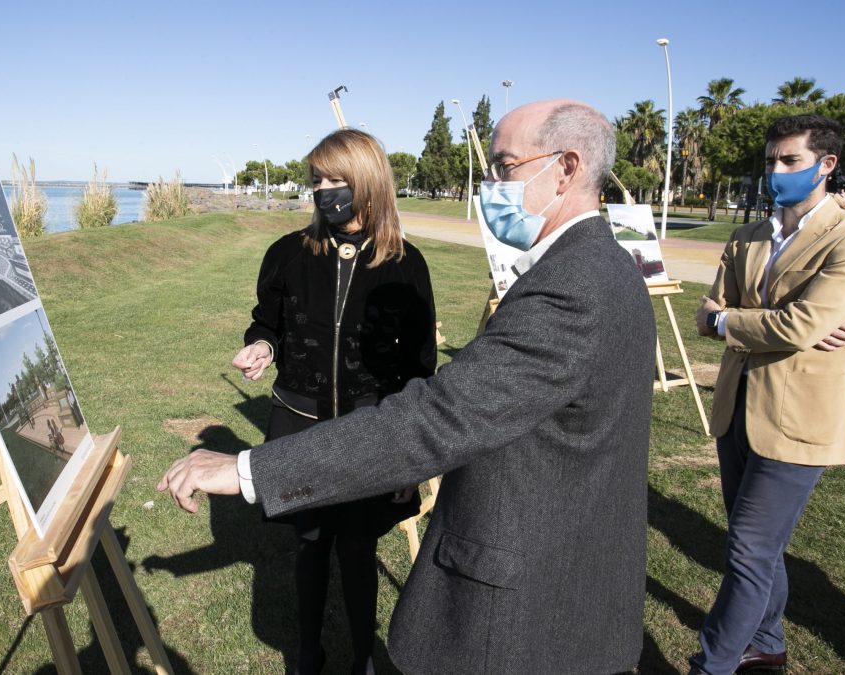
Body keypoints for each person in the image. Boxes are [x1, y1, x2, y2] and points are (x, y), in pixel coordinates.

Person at [160, 100, 656, 674]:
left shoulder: (572, 286)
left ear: (566, 168)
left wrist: (246, 469)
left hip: (524, 612)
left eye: (503, 165)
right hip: (562, 581)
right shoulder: (606, 267)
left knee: (356, 548)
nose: (489, 184)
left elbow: (438, 414)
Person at [230, 128, 436, 675]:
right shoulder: (287, 254)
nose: (323, 190)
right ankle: (307, 652)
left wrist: (407, 453)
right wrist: (261, 346)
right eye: (317, 179)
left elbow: (419, 365)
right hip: (299, 420)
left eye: (336, 180)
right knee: (312, 540)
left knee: (357, 544)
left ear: (367, 185)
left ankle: (364, 657)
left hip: (372, 427)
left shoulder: (406, 265)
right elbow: (267, 321)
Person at [693, 115, 845, 675]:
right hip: (736, 410)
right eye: (771, 161)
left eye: (790, 162)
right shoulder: (746, 236)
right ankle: (768, 643)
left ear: (825, 166)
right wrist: (761, 322)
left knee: (748, 553)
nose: (776, 172)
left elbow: (800, 325)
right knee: (757, 544)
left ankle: (714, 664)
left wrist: (739, 320)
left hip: (800, 420)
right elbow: (708, 317)